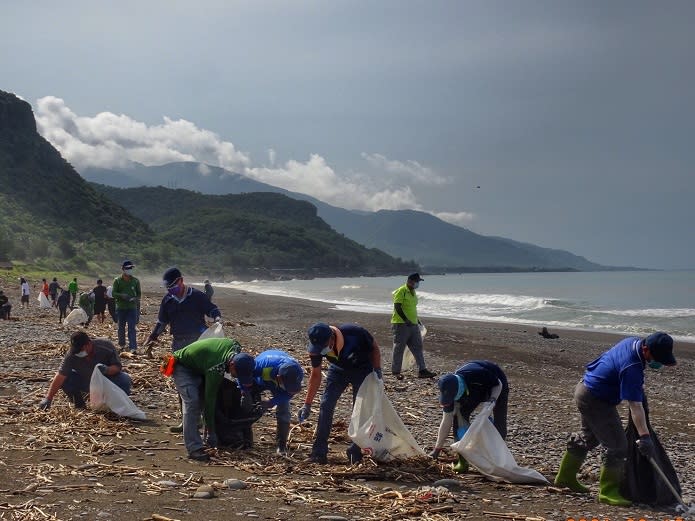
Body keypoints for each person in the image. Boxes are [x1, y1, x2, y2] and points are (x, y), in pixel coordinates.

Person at [553, 332, 677, 506]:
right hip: (596, 399)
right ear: (646, 349)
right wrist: (645, 437)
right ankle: (608, 491)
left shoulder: (632, 342)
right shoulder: (632, 366)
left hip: (585, 388)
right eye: (657, 357)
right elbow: (635, 406)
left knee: (590, 437)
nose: (658, 362)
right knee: (617, 445)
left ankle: (565, 477)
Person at [299, 322, 383, 464]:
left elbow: (374, 348)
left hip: (362, 370)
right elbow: (315, 375)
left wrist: (377, 370)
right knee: (326, 404)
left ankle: (355, 451)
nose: (321, 350)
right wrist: (307, 403)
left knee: (360, 410)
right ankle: (319, 452)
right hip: (338, 370)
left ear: (331, 337)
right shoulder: (316, 349)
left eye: (323, 345)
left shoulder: (355, 333)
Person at [165, 337, 255, 461]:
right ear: (232, 365)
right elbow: (210, 401)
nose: (238, 376)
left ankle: (192, 427)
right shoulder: (216, 367)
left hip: (201, 366)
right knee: (192, 403)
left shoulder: (236, 348)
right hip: (183, 367)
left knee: (201, 400)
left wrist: (245, 392)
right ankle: (194, 448)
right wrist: (211, 432)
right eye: (238, 373)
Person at [430, 361, 509, 473]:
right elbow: (446, 422)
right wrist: (437, 449)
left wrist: (493, 399)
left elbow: (498, 384)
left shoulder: (477, 373)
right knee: (459, 419)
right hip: (470, 393)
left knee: (499, 422)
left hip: (495, 385)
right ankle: (463, 459)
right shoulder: (449, 394)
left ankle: (497, 458)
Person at [38, 331, 132, 410]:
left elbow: (117, 367)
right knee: (66, 379)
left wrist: (107, 370)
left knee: (125, 380)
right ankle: (79, 404)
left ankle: (118, 405)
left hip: (108, 381)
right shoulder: (72, 355)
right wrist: (48, 398)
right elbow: (60, 375)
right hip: (88, 382)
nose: (79, 352)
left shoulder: (105, 346)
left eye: (81, 349)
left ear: (89, 344)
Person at [145, 267, 222, 353]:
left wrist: (217, 318)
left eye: (173, 286)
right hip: (178, 342)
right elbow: (162, 322)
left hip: (198, 340)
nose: (170, 289)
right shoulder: (167, 300)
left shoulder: (197, 296)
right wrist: (153, 336)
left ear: (181, 280)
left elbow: (211, 309)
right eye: (168, 287)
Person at [250, 349, 304, 455]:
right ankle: (245, 435)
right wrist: (245, 392)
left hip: (279, 388)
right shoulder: (262, 365)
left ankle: (281, 445)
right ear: (279, 378)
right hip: (259, 380)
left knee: (284, 411)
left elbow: (289, 393)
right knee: (249, 404)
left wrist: (272, 402)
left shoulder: (297, 373)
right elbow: (244, 374)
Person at [390, 273, 436, 380]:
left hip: (413, 324)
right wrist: (405, 319)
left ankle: (422, 370)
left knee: (417, 347)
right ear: (410, 281)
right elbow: (397, 306)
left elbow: (412, 308)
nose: (418, 283)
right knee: (399, 348)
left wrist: (418, 321)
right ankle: (396, 371)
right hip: (401, 324)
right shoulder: (401, 291)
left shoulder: (413, 292)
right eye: (417, 281)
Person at [112, 260, 141, 353]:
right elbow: (113, 293)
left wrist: (136, 299)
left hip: (132, 307)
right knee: (121, 327)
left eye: (131, 268)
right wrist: (121, 295)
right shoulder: (117, 281)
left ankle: (133, 347)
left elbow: (139, 294)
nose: (130, 270)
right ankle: (122, 344)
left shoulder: (135, 281)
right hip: (121, 308)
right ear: (123, 269)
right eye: (128, 268)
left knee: (132, 327)